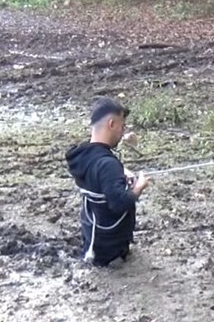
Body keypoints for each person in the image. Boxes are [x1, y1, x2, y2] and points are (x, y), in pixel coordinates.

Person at [65, 97, 151, 265]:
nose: (122, 132)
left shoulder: (81, 155)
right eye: (122, 126)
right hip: (112, 254)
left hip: (92, 243)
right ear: (111, 124)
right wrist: (139, 186)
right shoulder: (107, 164)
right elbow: (119, 203)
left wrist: (121, 172)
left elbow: (99, 174)